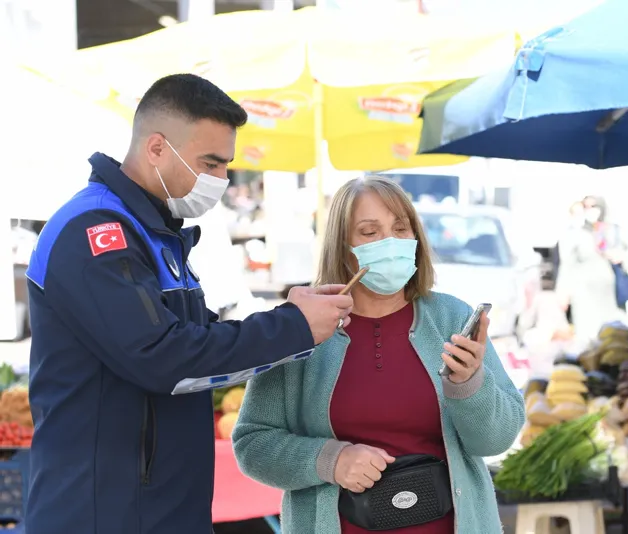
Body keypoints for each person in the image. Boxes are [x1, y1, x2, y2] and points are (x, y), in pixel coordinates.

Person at [24, 74, 353, 534]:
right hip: (104, 512)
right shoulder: (96, 232)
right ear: (156, 148)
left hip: (164, 506)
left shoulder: (158, 233)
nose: (221, 180)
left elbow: (199, 342)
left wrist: (289, 314)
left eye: (226, 166)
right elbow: (166, 358)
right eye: (211, 163)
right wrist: (294, 327)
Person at [232, 175, 525, 534]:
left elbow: (496, 440)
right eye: (370, 232)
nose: (390, 242)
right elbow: (253, 444)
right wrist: (330, 460)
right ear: (343, 247)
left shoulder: (452, 318)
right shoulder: (300, 328)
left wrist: (469, 385)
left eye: (401, 228)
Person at [555, 197, 626, 344]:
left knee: (610, 335)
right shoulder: (576, 233)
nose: (590, 210)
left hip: (608, 292)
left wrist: (621, 256)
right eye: (586, 207)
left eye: (594, 206)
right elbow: (567, 264)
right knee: (587, 336)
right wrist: (563, 291)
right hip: (584, 292)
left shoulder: (612, 231)